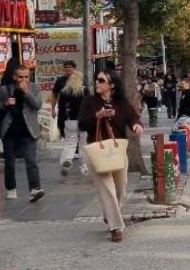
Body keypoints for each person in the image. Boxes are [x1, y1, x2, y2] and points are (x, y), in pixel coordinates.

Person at [78, 71, 144, 243]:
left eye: (101, 80)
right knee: (107, 189)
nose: (97, 83)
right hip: (97, 151)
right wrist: (97, 116)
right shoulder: (89, 101)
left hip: (117, 150)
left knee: (121, 188)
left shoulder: (121, 103)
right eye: (96, 80)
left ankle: (110, 213)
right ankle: (116, 227)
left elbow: (133, 118)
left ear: (112, 85)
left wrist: (137, 126)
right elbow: (82, 124)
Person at [0, 65, 44, 202]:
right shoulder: (6, 89)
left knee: (31, 161)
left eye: (26, 77)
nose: (24, 79)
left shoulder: (34, 88)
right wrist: (5, 103)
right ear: (14, 77)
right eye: (20, 77)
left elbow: (38, 105)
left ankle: (35, 189)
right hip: (10, 131)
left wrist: (27, 92)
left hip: (29, 131)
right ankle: (11, 188)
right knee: (10, 163)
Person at [51, 60, 87, 176]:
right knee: (83, 143)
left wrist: (60, 121)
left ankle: (67, 160)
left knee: (70, 142)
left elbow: (61, 107)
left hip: (69, 120)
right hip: (83, 120)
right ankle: (84, 166)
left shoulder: (64, 92)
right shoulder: (84, 90)